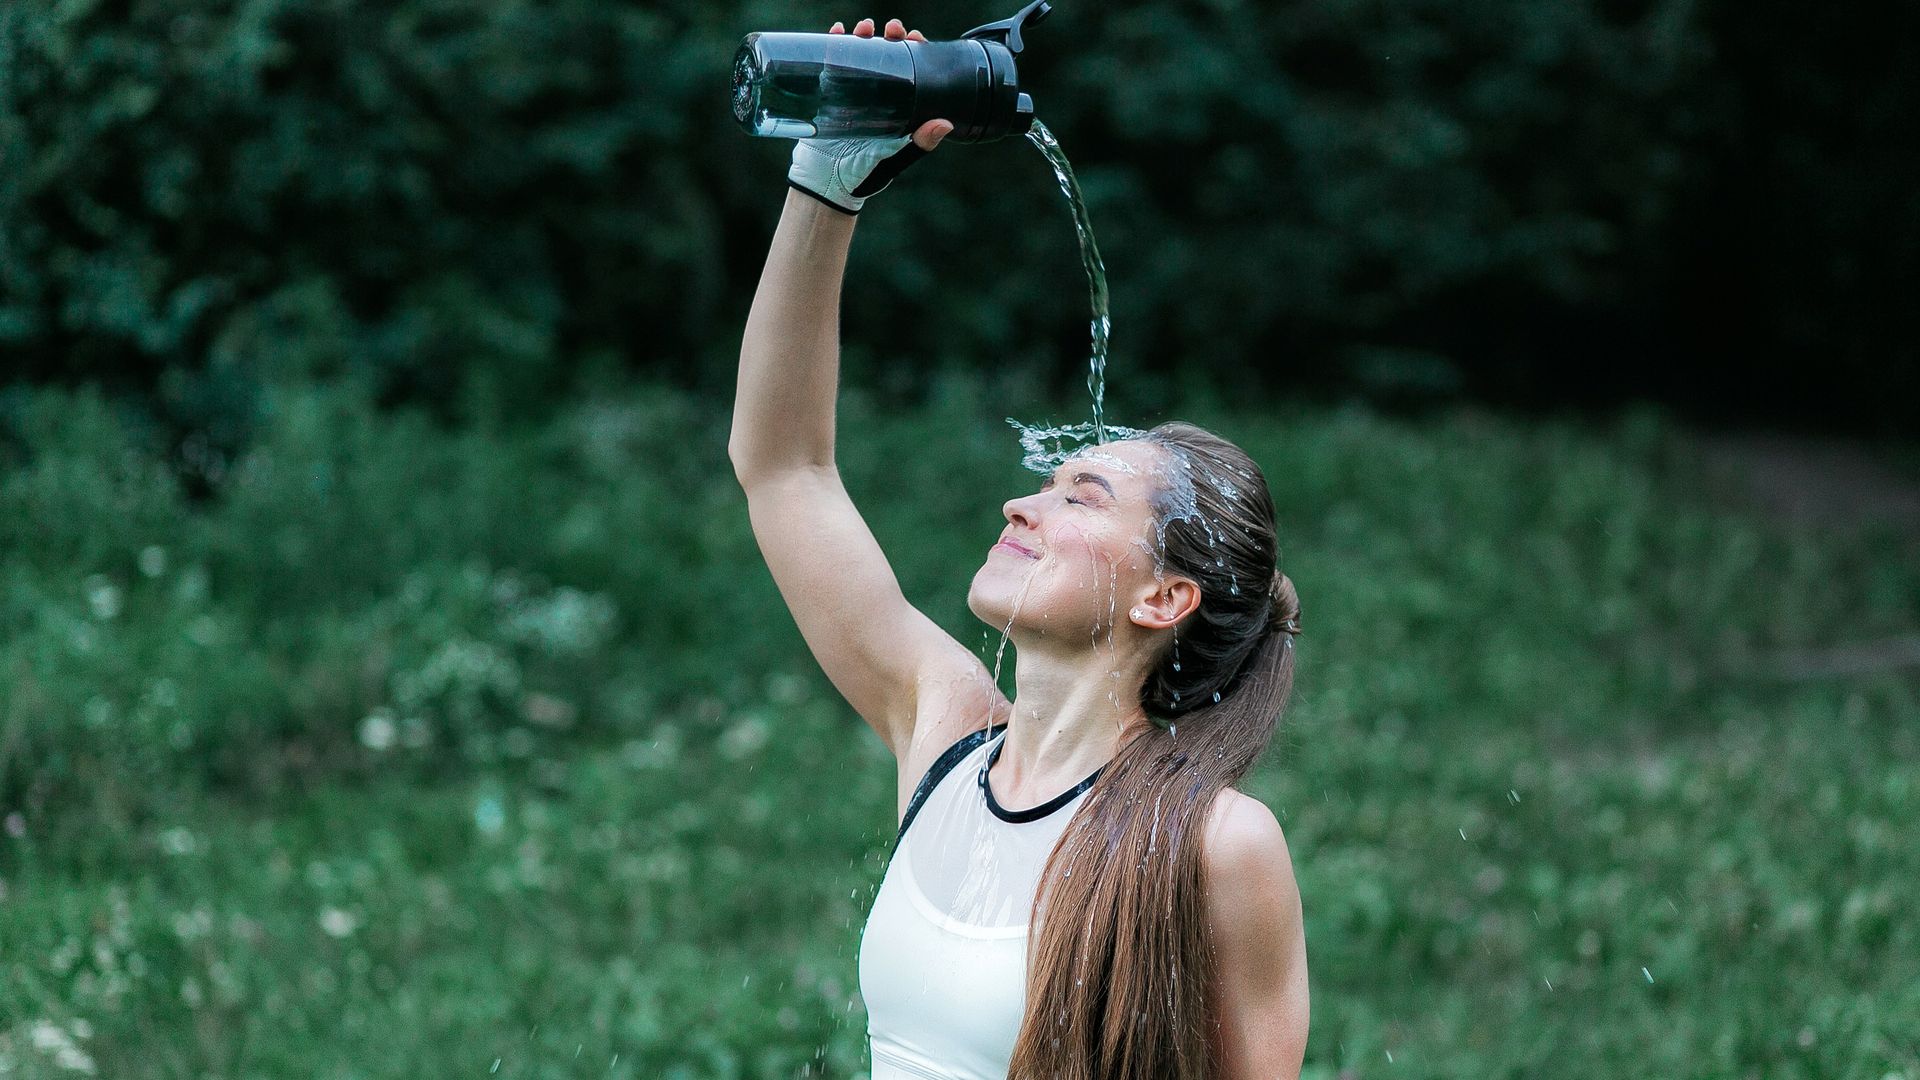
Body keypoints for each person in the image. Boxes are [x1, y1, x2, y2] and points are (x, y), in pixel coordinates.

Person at [730, 17, 1309, 1078]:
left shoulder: (1214, 848)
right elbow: (782, 468)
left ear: (1163, 598)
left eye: (1082, 496)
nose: (1020, 507)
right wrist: (828, 183)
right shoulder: (945, 738)